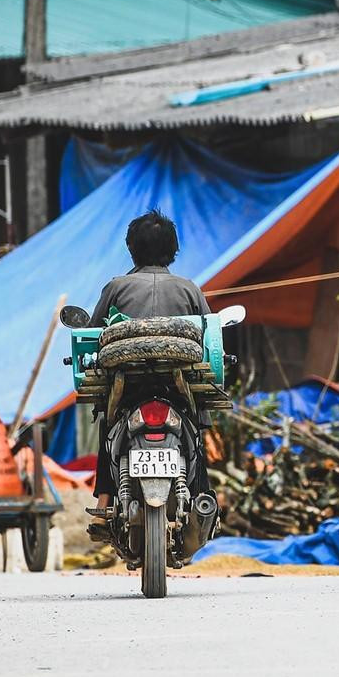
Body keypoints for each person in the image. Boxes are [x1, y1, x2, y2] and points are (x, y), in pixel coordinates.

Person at [88, 211, 210, 514]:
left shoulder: (116, 287)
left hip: (128, 386)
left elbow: (93, 336)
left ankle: (104, 502)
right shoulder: (189, 289)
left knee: (108, 424)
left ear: (132, 248)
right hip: (178, 388)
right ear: (173, 249)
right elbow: (209, 342)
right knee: (197, 429)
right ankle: (201, 499)